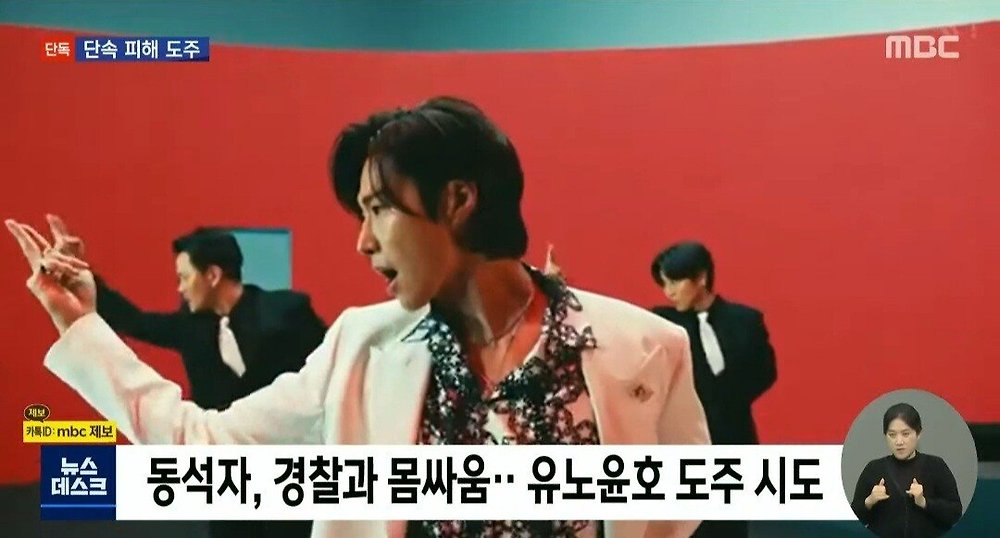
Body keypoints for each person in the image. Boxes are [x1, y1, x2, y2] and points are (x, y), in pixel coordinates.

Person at [6, 96, 710, 538]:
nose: (363, 242)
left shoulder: (648, 346)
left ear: (458, 201)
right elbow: (203, 445)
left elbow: (684, 506)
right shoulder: (358, 348)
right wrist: (81, 326)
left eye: (378, 209)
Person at [43, 217, 324, 538]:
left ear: (212, 275)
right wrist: (83, 277)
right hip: (224, 476)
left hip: (293, 474)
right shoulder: (190, 326)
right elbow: (135, 320)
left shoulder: (288, 312)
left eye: (184, 277)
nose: (179, 288)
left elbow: (329, 375)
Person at [650, 241, 777, 538]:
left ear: (701, 278)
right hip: (681, 448)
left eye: (675, 282)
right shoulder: (662, 323)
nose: (668, 292)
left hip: (733, 442)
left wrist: (725, 402)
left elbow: (765, 373)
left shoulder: (745, 321)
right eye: (664, 284)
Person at [850, 403, 962, 538]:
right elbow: (853, 520)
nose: (899, 441)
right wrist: (869, 501)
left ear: (918, 434)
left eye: (905, 434)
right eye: (892, 435)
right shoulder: (873, 469)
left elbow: (955, 513)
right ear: (885, 436)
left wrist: (924, 502)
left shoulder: (936, 466)